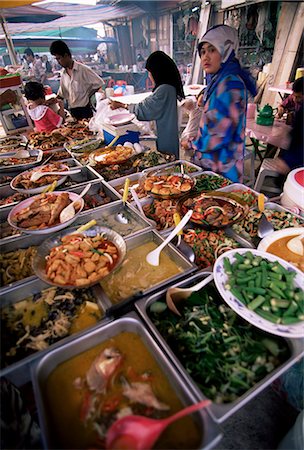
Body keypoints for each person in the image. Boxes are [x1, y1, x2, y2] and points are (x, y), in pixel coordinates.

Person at [181, 25, 257, 182]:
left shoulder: (230, 85)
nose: (205, 57)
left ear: (226, 50)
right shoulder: (219, 80)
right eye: (202, 52)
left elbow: (217, 136)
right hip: (212, 167)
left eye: (212, 50)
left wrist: (190, 143)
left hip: (220, 172)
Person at [109, 50, 185, 159]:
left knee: (168, 162)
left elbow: (145, 109)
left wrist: (122, 105)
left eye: (150, 72)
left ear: (157, 72)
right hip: (167, 135)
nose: (149, 76)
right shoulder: (168, 88)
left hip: (167, 139)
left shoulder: (165, 89)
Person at [50, 40, 104, 120]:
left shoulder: (83, 69)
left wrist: (88, 95)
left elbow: (99, 83)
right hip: (73, 110)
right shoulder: (63, 74)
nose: (58, 62)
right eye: (56, 59)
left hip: (85, 110)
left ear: (66, 55)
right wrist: (50, 101)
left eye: (59, 58)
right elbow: (61, 95)